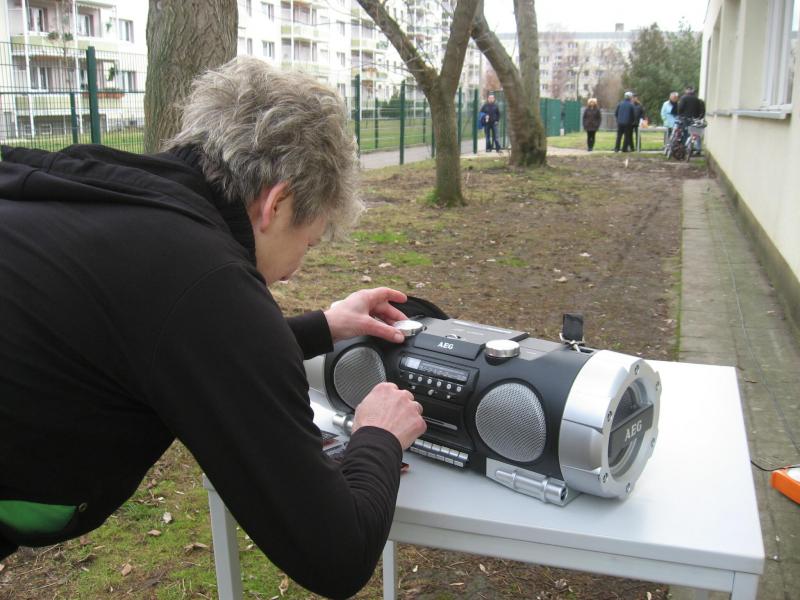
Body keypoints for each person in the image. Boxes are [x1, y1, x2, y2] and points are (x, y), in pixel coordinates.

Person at [0, 57, 426, 599]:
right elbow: (336, 555)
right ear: (277, 203)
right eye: (309, 242)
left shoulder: (111, 196)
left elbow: (170, 341)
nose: (297, 268)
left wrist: (324, 326)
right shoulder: (204, 279)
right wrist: (378, 434)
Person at [678, 86, 707, 153]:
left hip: (686, 119)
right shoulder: (698, 100)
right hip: (696, 119)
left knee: (686, 133)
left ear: (686, 91)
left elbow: (680, 108)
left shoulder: (683, 98)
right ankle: (698, 149)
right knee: (696, 134)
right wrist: (699, 117)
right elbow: (702, 110)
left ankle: (686, 148)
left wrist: (680, 115)